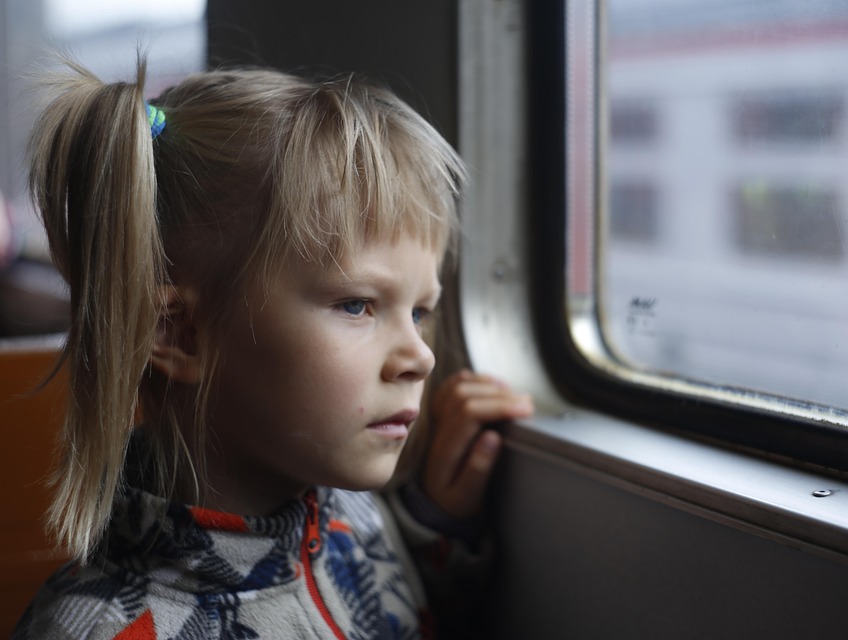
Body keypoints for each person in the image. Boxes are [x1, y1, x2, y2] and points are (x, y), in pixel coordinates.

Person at [13, 56, 533, 639]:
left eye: (420, 312)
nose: (421, 356)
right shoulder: (103, 627)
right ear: (178, 334)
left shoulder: (353, 518)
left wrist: (437, 524)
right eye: (357, 305)